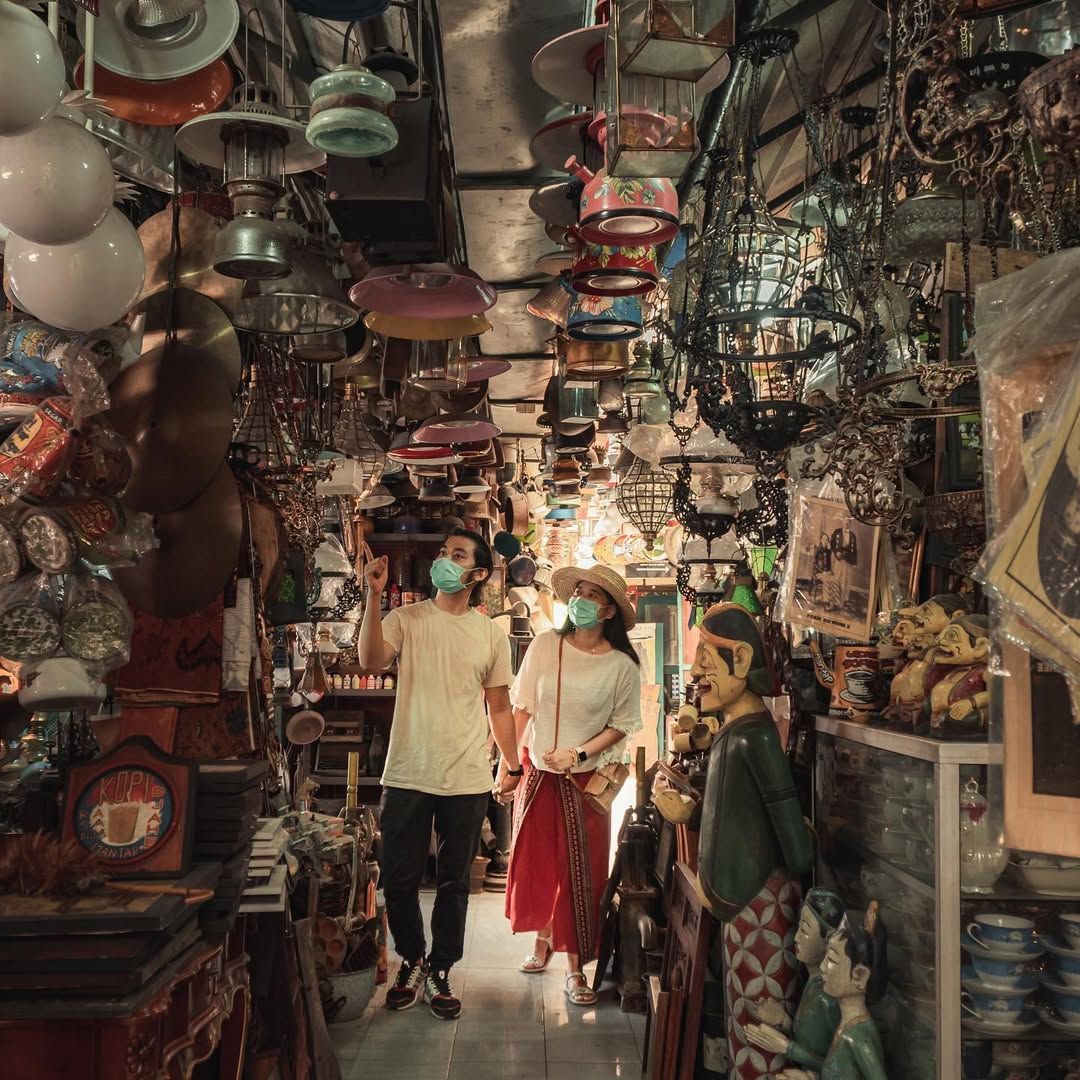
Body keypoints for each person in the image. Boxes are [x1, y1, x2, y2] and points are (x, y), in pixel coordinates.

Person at [360, 528, 519, 1021]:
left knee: (454, 883)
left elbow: (499, 707)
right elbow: (370, 659)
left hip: (467, 777)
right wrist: (372, 594)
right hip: (408, 770)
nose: (443, 561)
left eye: (455, 555)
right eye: (442, 553)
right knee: (400, 879)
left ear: (476, 574)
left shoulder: (491, 633)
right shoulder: (406, 618)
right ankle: (411, 958)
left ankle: (441, 968)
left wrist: (512, 766)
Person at [501, 565, 642, 1006]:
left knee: (583, 874)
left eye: (592, 594)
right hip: (541, 776)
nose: (581, 598)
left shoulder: (623, 666)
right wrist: (507, 765)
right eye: (578, 591)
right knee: (539, 864)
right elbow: (522, 707)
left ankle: (576, 965)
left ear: (608, 611)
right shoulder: (545, 645)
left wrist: (578, 752)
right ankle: (543, 941)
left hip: (585, 782)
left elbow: (622, 725)